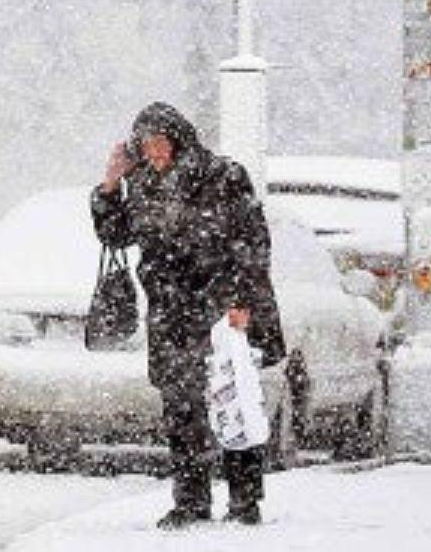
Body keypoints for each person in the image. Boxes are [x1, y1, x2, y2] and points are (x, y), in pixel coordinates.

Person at [90, 101, 285, 530]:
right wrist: (109, 185)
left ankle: (244, 501)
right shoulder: (139, 182)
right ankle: (191, 500)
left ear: (179, 141)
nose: (156, 154)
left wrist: (240, 302)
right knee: (181, 410)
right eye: (147, 147)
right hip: (169, 313)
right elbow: (115, 235)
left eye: (162, 145)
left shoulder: (222, 176)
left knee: (231, 402)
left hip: (219, 309)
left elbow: (252, 241)